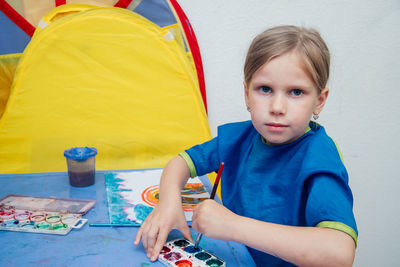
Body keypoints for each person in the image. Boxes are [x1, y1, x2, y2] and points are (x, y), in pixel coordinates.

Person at [134, 25, 358, 266]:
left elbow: (340, 253)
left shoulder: (319, 158)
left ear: (319, 101)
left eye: (296, 92)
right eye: (265, 89)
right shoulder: (239, 137)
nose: (277, 107)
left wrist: (233, 226)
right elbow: (180, 162)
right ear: (246, 94)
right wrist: (169, 203)